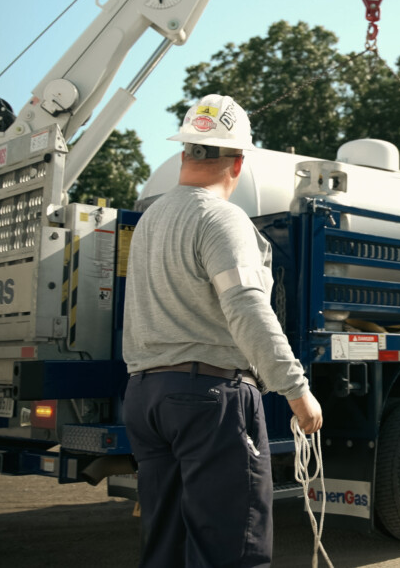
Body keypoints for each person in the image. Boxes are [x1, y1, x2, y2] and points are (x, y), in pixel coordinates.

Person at [122, 94, 323, 568]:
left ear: (185, 154)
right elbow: (247, 307)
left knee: (165, 545)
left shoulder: (151, 219)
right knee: (232, 547)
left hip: (145, 396)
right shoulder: (221, 218)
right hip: (209, 397)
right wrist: (297, 391)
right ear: (237, 163)